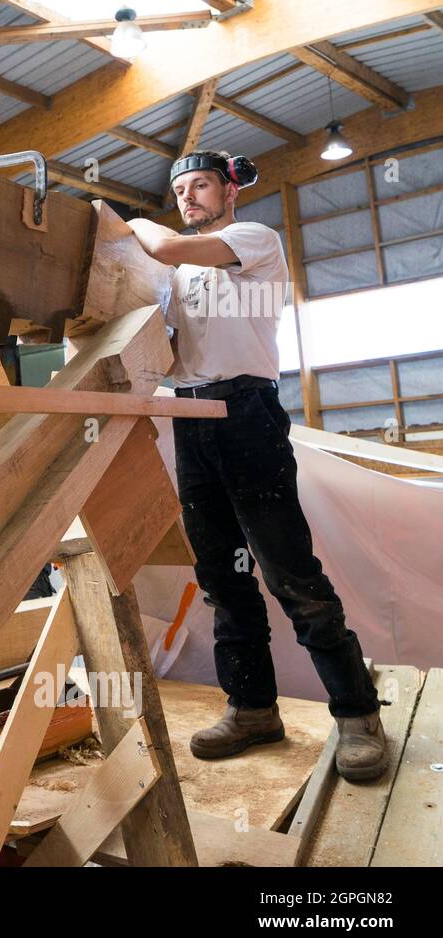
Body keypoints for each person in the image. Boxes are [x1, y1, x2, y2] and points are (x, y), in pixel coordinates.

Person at [123, 150, 386, 781]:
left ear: (229, 192)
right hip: (192, 416)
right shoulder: (180, 274)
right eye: (180, 190)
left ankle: (357, 715)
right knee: (222, 577)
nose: (188, 198)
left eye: (200, 186)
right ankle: (252, 710)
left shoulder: (251, 239)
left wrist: (120, 220)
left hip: (246, 411)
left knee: (290, 572)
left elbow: (161, 247)